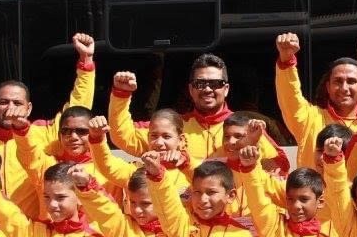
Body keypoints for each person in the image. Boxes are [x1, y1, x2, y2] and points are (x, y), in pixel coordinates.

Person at [0, 32, 96, 218]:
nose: (10, 108)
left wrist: (86, 62)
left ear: (29, 108)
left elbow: (77, 107)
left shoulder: (46, 134)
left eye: (17, 103)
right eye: (3, 102)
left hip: (32, 229)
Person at [108, 64, 289, 174]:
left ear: (226, 89)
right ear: (191, 89)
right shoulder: (173, 126)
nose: (207, 89)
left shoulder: (246, 128)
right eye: (200, 84)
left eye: (215, 84)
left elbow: (279, 167)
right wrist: (121, 95)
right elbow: (122, 136)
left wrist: (252, 146)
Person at [276, 32, 357, 171]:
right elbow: (289, 96)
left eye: (351, 81)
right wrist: (287, 60)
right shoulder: (310, 119)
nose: (344, 88)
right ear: (328, 87)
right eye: (338, 81)